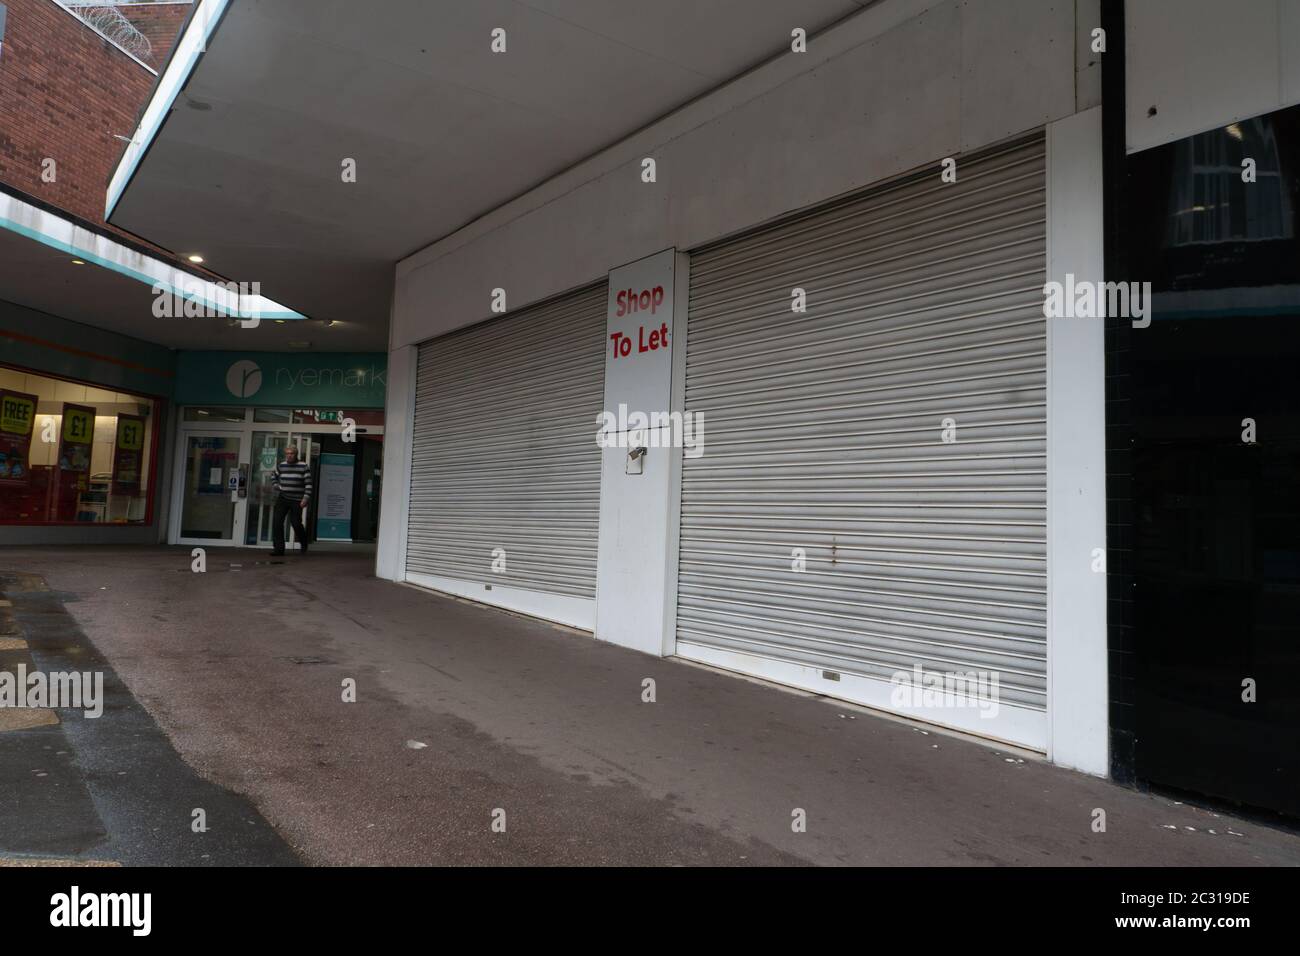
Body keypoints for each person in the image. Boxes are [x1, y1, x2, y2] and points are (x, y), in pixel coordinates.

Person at [271, 444, 312, 556]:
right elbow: (273, 475)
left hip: (297, 500)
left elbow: (308, 484)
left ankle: (304, 542)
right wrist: (275, 484)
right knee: (277, 522)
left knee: (296, 523)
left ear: (296, 455)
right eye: (287, 454)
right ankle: (279, 549)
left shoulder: (303, 466)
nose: (289, 456)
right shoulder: (282, 465)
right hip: (283, 498)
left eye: (291, 454)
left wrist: (305, 498)